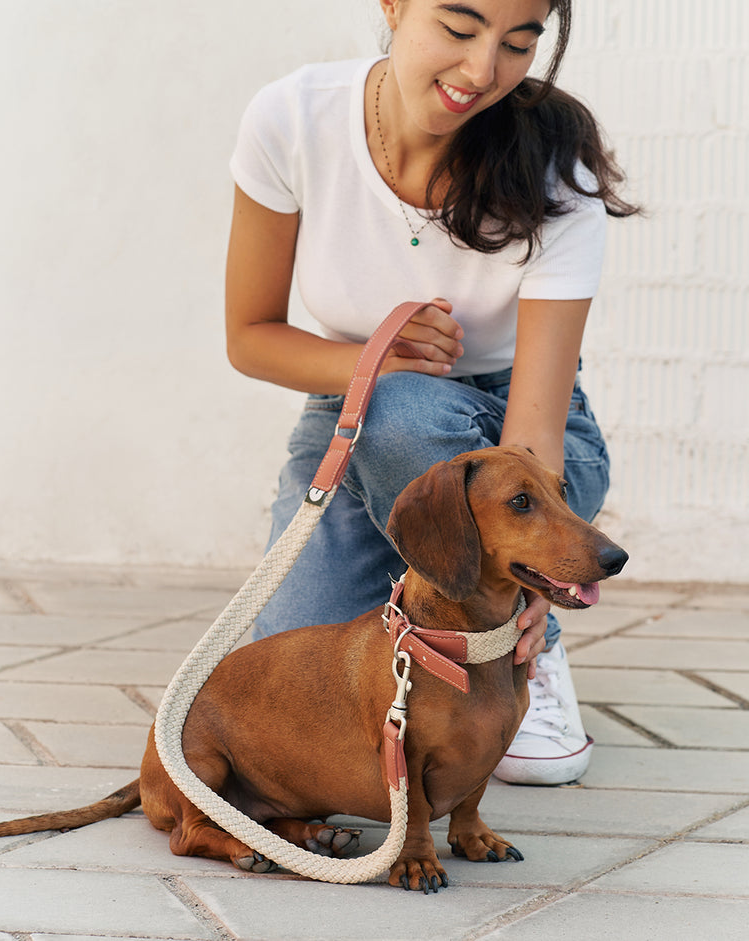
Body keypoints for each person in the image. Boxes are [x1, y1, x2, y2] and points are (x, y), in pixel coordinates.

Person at [225, 0, 638, 785]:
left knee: (405, 415)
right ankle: (434, 619)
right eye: (458, 28)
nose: (483, 72)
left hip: (520, 447)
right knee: (296, 683)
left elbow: (533, 437)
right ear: (393, 5)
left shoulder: (556, 164)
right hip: (351, 421)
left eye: (520, 43)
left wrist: (540, 587)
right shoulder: (293, 117)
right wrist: (369, 365)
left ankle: (522, 650)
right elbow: (248, 336)